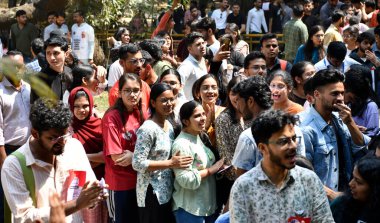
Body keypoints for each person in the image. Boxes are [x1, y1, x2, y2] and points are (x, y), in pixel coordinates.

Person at [1, 98, 108, 223]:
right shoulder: (14, 166)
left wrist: (93, 196)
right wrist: (77, 204)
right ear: (35, 134)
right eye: (54, 138)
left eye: (65, 135)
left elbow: (87, 186)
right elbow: (24, 217)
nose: (62, 142)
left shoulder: (74, 147)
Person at [230, 110, 334, 222]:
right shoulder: (244, 188)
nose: (293, 146)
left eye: (294, 139)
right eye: (284, 141)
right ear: (262, 148)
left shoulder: (309, 180)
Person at [299, 69, 370, 192]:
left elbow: (360, 147)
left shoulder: (340, 119)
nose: (340, 98)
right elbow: (304, 175)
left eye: (342, 93)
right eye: (335, 94)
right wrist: (332, 196)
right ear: (316, 94)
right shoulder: (305, 129)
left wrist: (350, 123)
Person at [132, 83, 192, 223]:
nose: (169, 103)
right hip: (151, 193)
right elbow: (137, 163)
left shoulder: (169, 125)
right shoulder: (148, 129)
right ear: (153, 102)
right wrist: (170, 163)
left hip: (166, 191)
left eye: (171, 99)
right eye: (164, 100)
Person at [102, 73, 149, 223]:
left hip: (140, 182)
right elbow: (118, 158)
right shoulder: (112, 117)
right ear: (119, 93)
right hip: (119, 185)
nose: (132, 94)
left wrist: (133, 156)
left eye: (136, 90)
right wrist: (138, 157)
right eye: (127, 90)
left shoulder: (140, 113)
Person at [171, 100, 224, 223]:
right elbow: (185, 179)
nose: (203, 118)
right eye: (197, 116)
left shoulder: (198, 136)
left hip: (206, 206)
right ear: (185, 121)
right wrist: (212, 170)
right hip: (190, 209)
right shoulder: (182, 144)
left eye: (203, 114)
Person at [68, 87, 108, 223]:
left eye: (85, 106)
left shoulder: (100, 124)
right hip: (79, 185)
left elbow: (106, 156)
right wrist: (96, 158)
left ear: (91, 105)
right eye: (76, 106)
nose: (81, 110)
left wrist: (84, 158)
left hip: (102, 182)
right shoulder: (67, 128)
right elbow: (70, 162)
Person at [0, 51, 30, 223]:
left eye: (20, 66)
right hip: (8, 152)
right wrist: (3, 159)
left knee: (25, 196)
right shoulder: (1, 92)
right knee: (6, 198)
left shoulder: (27, 88)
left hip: (27, 151)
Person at [214, 75, 247, 210]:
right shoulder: (223, 119)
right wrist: (243, 178)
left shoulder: (251, 117)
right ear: (228, 93)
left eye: (241, 94)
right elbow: (226, 157)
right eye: (233, 93)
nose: (236, 98)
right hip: (232, 181)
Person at [330, 157, 380, 222]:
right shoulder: (340, 205)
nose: (350, 184)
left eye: (358, 182)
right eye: (353, 177)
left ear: (374, 188)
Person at [107, 44, 151, 111]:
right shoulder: (116, 93)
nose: (139, 65)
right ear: (122, 63)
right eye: (134, 61)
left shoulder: (145, 86)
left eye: (141, 60)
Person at [30, 36, 73, 103]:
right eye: (48, 53)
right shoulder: (39, 80)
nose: (52, 58)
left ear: (66, 54)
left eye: (56, 53)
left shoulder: (70, 73)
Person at [344, 67, 379, 137]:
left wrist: (358, 131)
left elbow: (372, 134)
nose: (349, 101)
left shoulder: (371, 106)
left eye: (354, 99)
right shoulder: (346, 104)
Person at [193, 74, 225, 147]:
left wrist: (215, 124)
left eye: (214, 87)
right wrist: (206, 126)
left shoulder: (225, 112)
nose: (210, 91)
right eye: (205, 88)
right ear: (198, 93)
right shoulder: (193, 113)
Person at [177, 32, 208, 100]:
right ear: (189, 49)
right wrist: (185, 106)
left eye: (203, 43)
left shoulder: (203, 61)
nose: (202, 46)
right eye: (198, 44)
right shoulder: (186, 66)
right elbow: (178, 89)